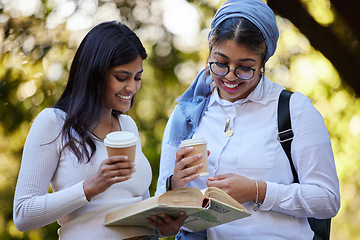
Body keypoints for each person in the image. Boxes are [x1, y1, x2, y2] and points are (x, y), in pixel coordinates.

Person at [156, 0, 340, 239]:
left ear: (263, 62)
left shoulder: (294, 110)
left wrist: (258, 191)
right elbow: (163, 208)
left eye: (245, 67)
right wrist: (176, 186)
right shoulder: (186, 114)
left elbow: (327, 199)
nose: (230, 76)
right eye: (220, 63)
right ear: (209, 51)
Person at [13, 21, 186, 240]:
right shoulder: (54, 123)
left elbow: (139, 207)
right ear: (94, 74)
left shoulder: (127, 126)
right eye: (122, 77)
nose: (132, 87)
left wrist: (164, 229)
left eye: (138, 77)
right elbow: (23, 214)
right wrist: (91, 187)